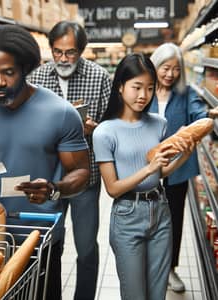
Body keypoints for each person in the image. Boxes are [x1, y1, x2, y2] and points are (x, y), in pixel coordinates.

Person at [0, 24, 90, 300]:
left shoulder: (61, 113)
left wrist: (54, 188)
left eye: (8, 72)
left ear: (25, 69)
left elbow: (81, 173)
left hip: (39, 237)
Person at [92, 53, 195, 300]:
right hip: (127, 217)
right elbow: (113, 189)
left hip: (160, 212)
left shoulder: (159, 123)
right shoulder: (104, 132)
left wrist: (183, 156)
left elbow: (161, 172)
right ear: (120, 86)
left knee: (157, 293)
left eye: (150, 88)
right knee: (135, 294)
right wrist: (148, 169)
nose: (143, 95)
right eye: (136, 87)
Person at [29, 21, 112, 300]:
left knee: (87, 247)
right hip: (48, 176)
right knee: (50, 244)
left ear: (82, 50)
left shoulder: (100, 77)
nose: (63, 59)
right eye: (58, 52)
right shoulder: (37, 78)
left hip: (85, 179)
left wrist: (95, 128)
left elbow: (113, 127)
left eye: (71, 53)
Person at [149, 42, 218, 293]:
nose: (170, 74)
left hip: (176, 169)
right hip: (146, 167)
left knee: (174, 219)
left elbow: (199, 115)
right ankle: (149, 266)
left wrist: (205, 118)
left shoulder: (186, 92)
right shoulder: (144, 89)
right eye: (165, 68)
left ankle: (170, 269)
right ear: (155, 66)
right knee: (147, 218)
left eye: (176, 69)